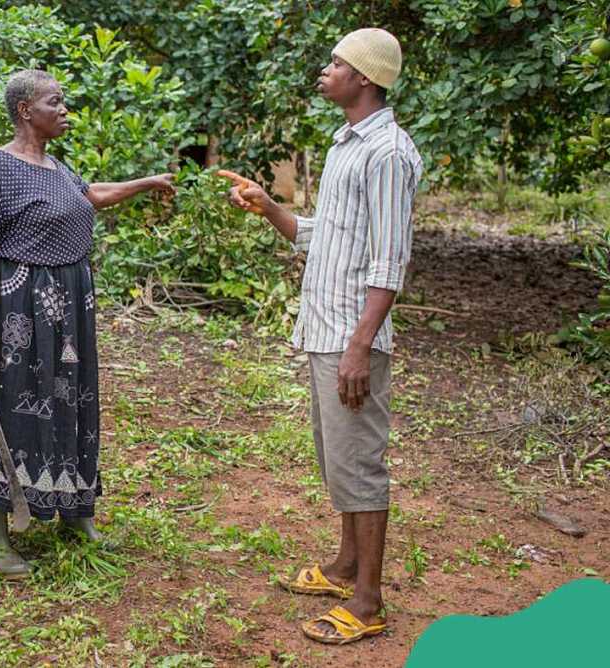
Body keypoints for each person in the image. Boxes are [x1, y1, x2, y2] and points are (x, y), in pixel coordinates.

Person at [226, 28, 421, 644]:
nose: (325, 69)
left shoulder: (388, 153)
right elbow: (322, 236)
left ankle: (368, 602)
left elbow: (390, 260)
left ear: (364, 77)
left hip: (350, 334)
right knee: (336, 455)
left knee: (359, 462)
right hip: (326, 327)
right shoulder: (346, 144)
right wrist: (269, 207)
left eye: (336, 62)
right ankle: (344, 568)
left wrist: (361, 344)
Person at [0, 69, 175, 578]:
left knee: (72, 400)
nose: (65, 108)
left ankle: (75, 512)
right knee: (13, 406)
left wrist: (146, 182)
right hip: (20, 310)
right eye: (55, 101)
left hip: (72, 307)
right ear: (25, 110)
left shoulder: (56, 167)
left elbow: (90, 195)